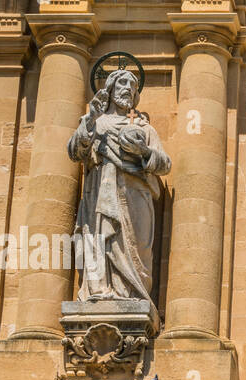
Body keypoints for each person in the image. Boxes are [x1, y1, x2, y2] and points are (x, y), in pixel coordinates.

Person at [67, 68, 171, 324]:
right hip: (101, 193)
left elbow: (164, 164)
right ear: (110, 89)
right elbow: (74, 151)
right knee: (101, 238)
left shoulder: (144, 129)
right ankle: (100, 290)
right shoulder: (96, 123)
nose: (127, 88)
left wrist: (143, 151)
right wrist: (90, 118)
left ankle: (132, 292)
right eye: (122, 83)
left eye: (132, 86)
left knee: (135, 247)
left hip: (135, 196)